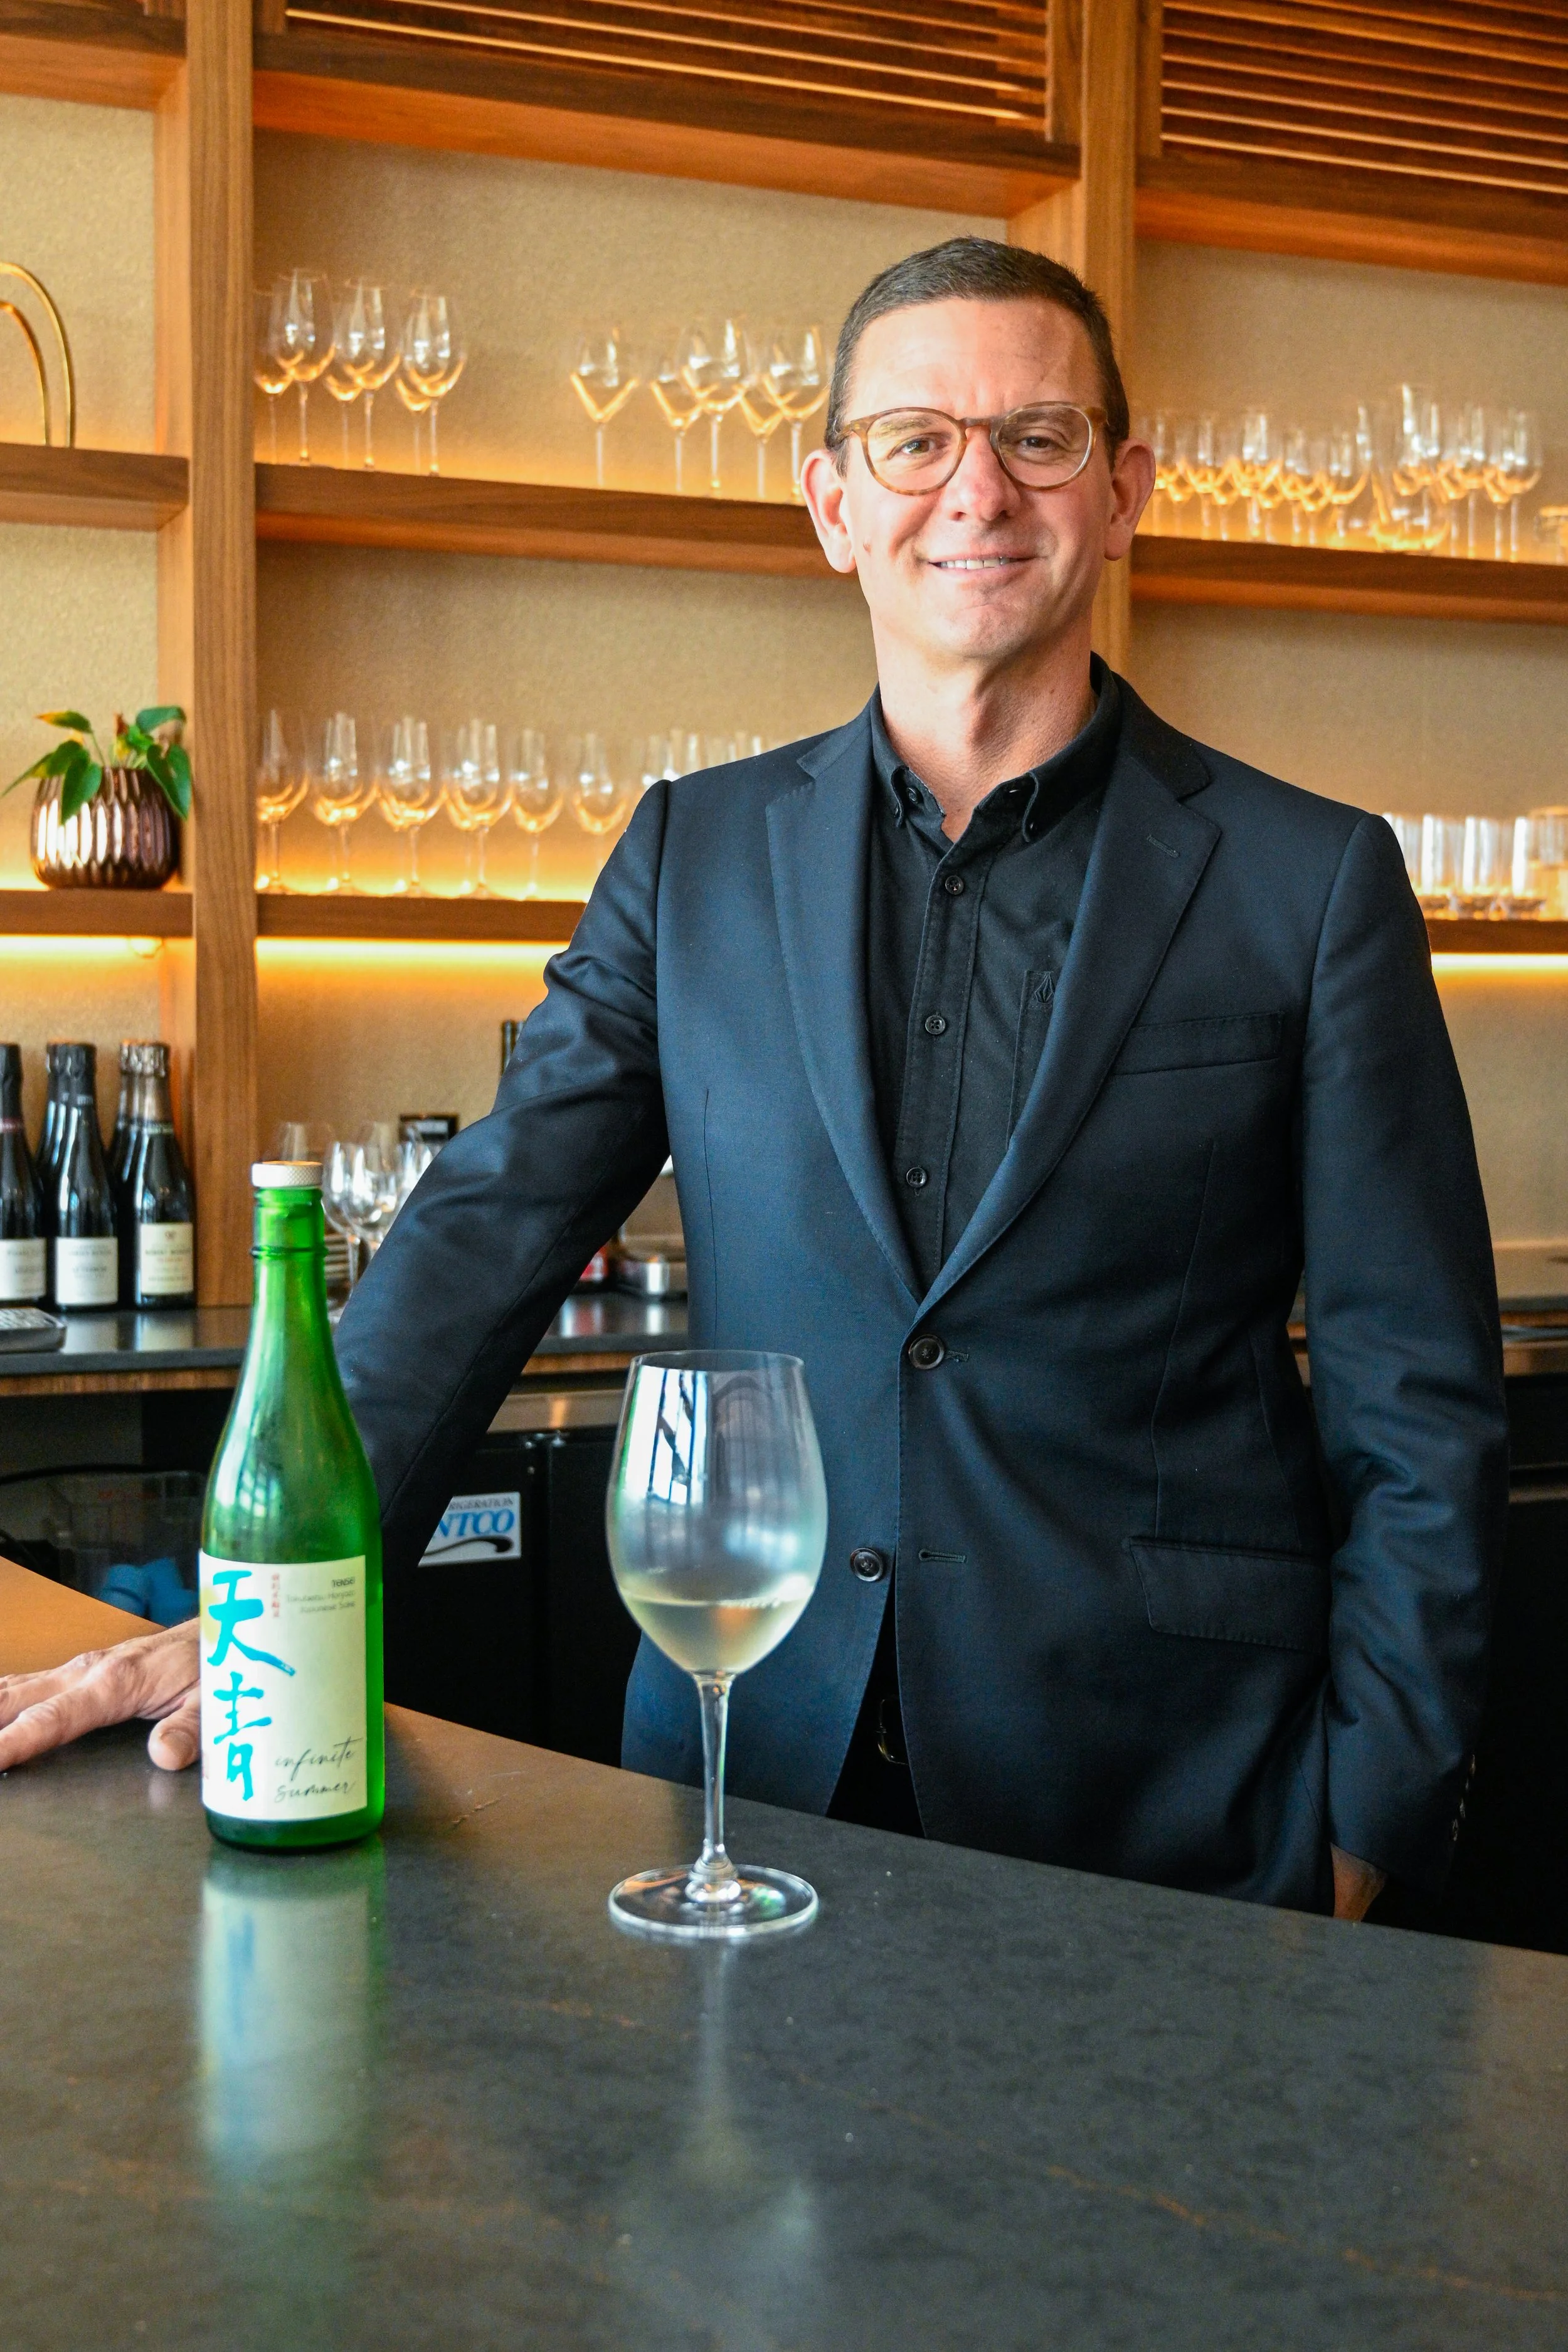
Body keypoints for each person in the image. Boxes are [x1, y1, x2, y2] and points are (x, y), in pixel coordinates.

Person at [0, 238, 1507, 1922]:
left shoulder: (1307, 884)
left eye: (1038, 434)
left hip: (1176, 1799)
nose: (975, 490)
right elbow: (485, 1233)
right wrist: (261, 1606)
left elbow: (1414, 1398)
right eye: (914, 439)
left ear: (1123, 485)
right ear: (831, 504)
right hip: (747, 1775)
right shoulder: (692, 854)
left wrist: (1370, 1813)